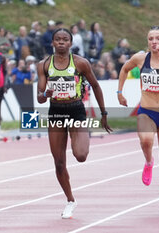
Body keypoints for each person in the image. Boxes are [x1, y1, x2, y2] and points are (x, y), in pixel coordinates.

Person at [37, 28, 112, 219]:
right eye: (57, 39)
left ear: (70, 43)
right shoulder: (44, 65)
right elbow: (40, 97)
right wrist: (46, 94)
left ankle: (79, 136)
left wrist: (103, 113)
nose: (61, 42)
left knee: (80, 155)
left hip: (76, 110)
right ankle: (70, 200)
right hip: (56, 112)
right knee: (59, 163)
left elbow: (95, 86)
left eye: (65, 39)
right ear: (52, 43)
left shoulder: (80, 63)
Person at [117, 26, 159, 213]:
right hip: (146, 110)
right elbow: (124, 69)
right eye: (151, 39)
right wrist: (119, 92)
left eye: (158, 38)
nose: (154, 41)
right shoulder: (140, 58)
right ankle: (148, 162)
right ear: (148, 42)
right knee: (146, 140)